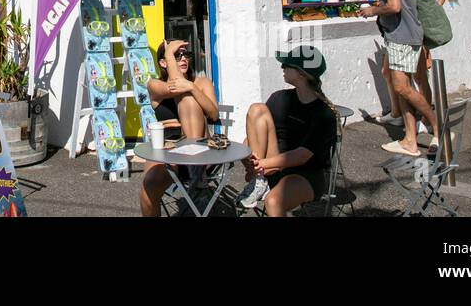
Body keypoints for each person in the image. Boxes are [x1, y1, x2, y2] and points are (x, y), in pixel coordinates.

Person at [358, 0, 437, 156]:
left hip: (401, 35)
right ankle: (410, 140)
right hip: (408, 33)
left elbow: (394, 6)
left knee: (402, 86)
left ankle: (436, 127)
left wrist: (372, 10)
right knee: (404, 87)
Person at [237, 46, 338, 216]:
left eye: (286, 65)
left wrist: (259, 164)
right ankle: (259, 180)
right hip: (272, 168)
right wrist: (249, 158)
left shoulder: (324, 114)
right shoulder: (279, 98)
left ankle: (259, 177)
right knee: (257, 109)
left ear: (301, 73)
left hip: (306, 174)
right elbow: (252, 139)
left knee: (274, 201)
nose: (282, 67)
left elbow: (301, 156)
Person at [138, 37, 219, 217]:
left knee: (189, 100)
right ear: (163, 63)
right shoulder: (155, 84)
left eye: (185, 55)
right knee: (148, 187)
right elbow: (175, 88)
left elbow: (213, 115)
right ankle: (196, 180)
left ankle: (196, 175)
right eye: (176, 55)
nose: (183, 59)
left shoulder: (202, 83)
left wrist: (192, 87)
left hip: (201, 152)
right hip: (168, 150)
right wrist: (168, 53)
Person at [374, 0, 450, 125]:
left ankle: (427, 120)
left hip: (416, 33)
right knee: (388, 72)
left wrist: (433, 12)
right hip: (399, 34)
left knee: (420, 77)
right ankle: (396, 113)